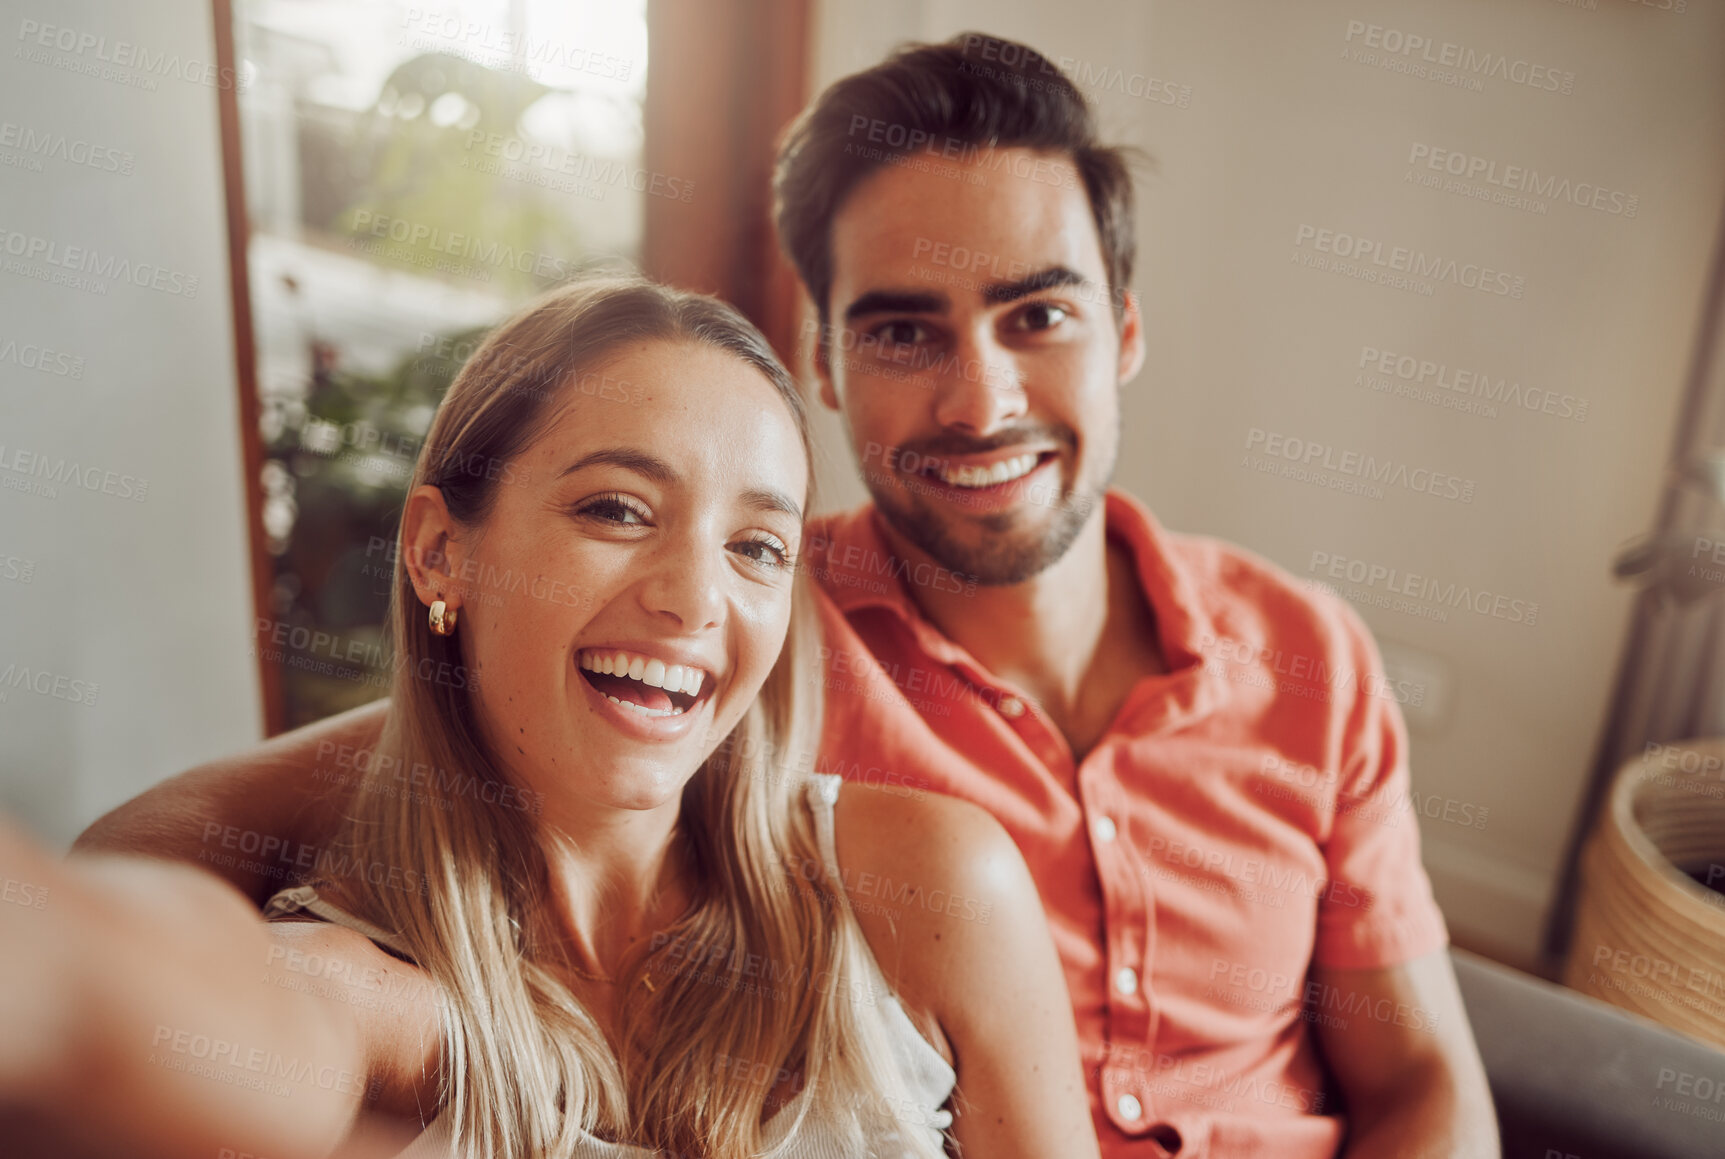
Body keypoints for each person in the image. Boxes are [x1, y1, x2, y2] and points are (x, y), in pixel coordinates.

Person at [76, 33, 1499, 1159]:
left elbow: (1427, 1071)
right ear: (826, 362)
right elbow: (414, 760)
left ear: (1122, 329)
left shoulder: (1306, 649)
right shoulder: (729, 645)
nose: (979, 393)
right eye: (900, 327)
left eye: (1037, 312)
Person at [0, 277, 1096, 1159]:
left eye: (755, 546)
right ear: (440, 549)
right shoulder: (379, 995)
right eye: (616, 509)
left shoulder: (931, 890)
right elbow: (202, 1003)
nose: (694, 597)